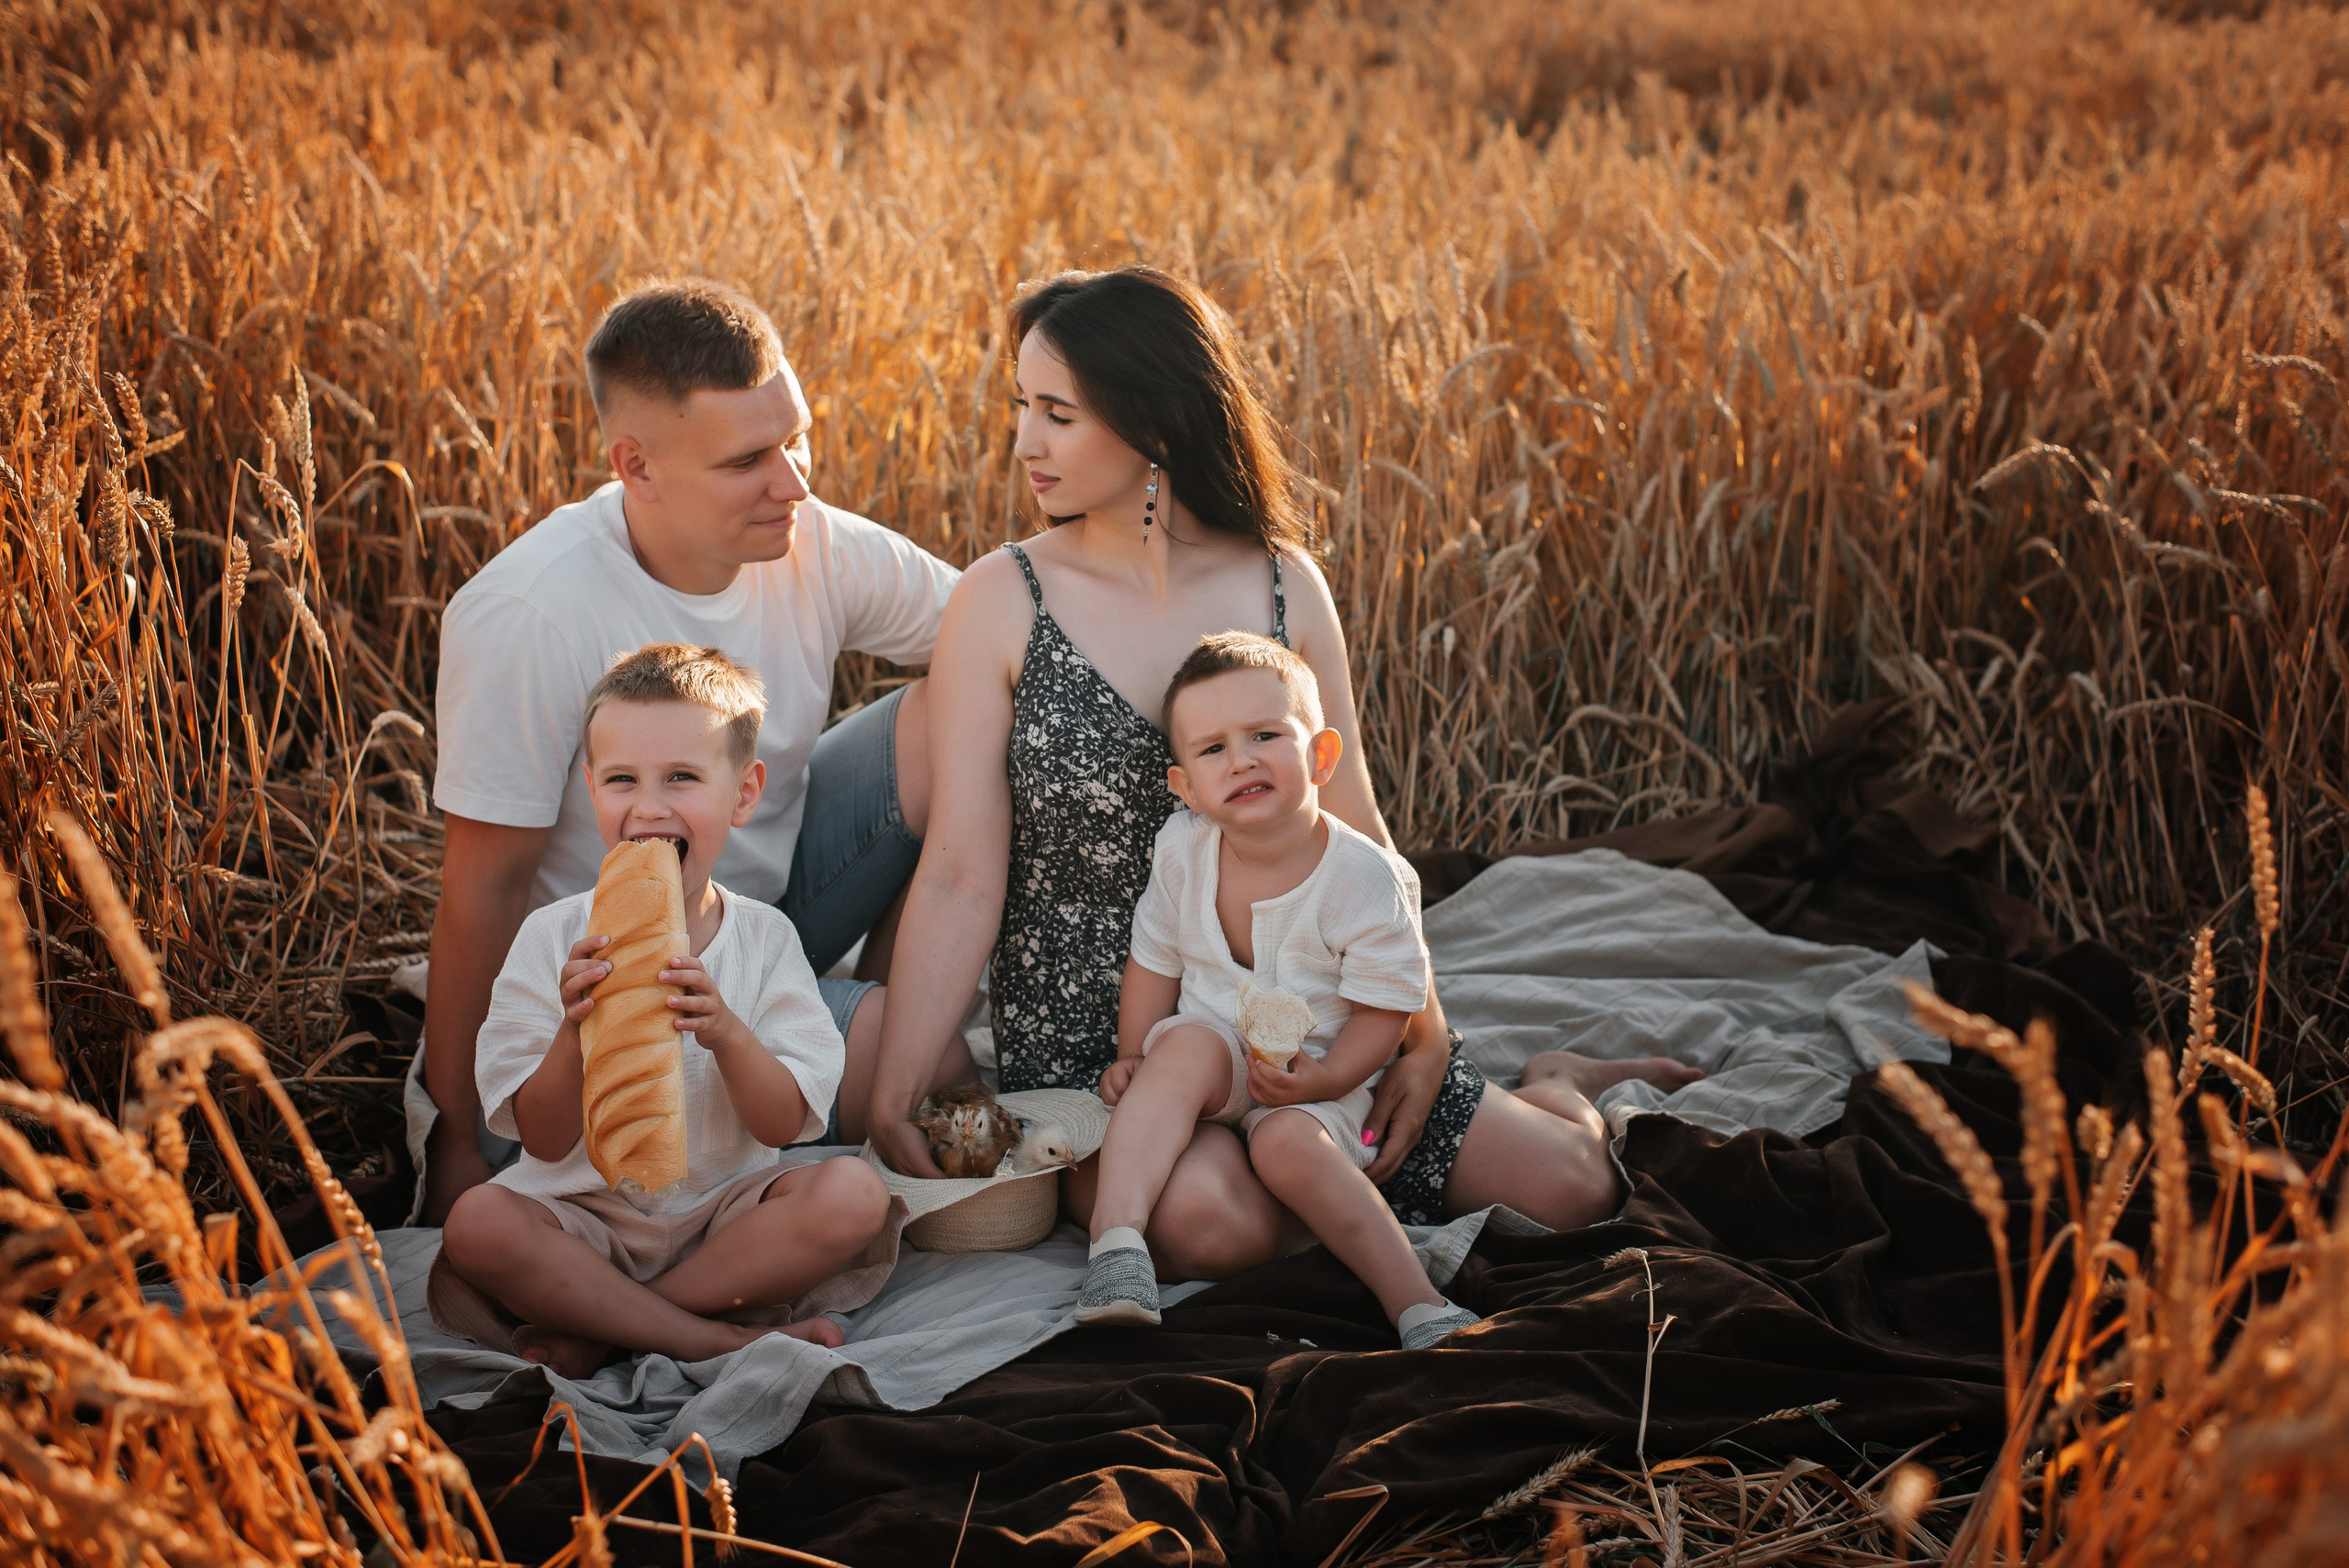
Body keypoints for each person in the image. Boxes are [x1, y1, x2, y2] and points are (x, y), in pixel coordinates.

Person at [865, 265, 1700, 1277]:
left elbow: (1359, 830)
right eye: (1019, 409)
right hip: (1107, 1033)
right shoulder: (1002, 597)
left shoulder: (1279, 583)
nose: (1024, 444)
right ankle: (1319, 1188)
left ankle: (1558, 1077)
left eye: (1057, 413)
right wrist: (893, 1090)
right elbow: (961, 872)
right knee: (1210, 1228)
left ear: (1156, 421)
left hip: (1306, 1008)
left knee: (1577, 1189)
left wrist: (1425, 1030)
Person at [416, 278, 974, 1225]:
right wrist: (460, 1141)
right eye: (748, 458)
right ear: (635, 465)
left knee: (953, 696)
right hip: (616, 991)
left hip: (763, 917)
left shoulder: (813, 541)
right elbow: (483, 891)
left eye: (796, 438)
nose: (794, 481)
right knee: (929, 1066)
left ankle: (870, 991)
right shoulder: (530, 613)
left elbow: (1002, 629)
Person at [430, 645, 894, 1377]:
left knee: (857, 1195)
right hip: (582, 1215)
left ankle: (612, 1322)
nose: (648, 806)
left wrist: (727, 1034)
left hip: (722, 1222)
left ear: (743, 793)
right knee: (476, 1223)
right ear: (592, 791)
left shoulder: (766, 940)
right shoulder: (553, 938)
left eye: (681, 776)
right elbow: (545, 1141)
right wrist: (571, 1030)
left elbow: (783, 1123)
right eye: (622, 780)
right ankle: (708, 1337)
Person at [1079, 634, 1478, 1348]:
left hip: (1323, 1069)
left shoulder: (1365, 878)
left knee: (1290, 1145)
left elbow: (1386, 1011)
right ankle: (1115, 1249)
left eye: (1265, 734)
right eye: (1213, 749)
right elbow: (1153, 960)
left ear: (1322, 756)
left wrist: (1328, 1076)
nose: (1242, 759)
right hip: (1216, 1053)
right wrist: (1133, 1052)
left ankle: (1415, 1301)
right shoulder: (1182, 849)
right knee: (1182, 1053)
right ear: (1187, 788)